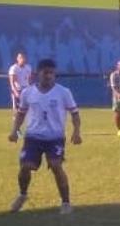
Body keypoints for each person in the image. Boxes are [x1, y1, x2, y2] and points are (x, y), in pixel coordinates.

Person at [7, 59, 82, 215]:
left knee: (56, 165)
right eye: (45, 72)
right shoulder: (28, 92)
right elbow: (21, 113)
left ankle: (66, 202)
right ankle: (22, 195)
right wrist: (14, 131)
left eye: (52, 73)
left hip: (55, 137)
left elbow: (75, 113)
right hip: (33, 137)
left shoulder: (63, 92)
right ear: (37, 74)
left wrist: (76, 132)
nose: (48, 76)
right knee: (25, 167)